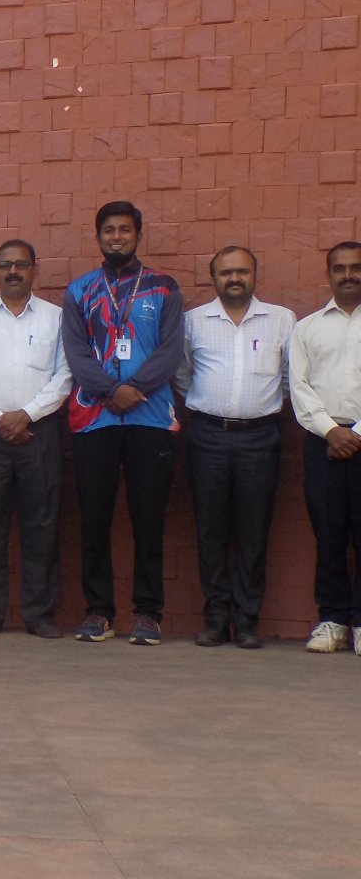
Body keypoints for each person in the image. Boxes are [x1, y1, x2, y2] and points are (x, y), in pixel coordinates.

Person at [62, 200, 184, 645]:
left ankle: (148, 614)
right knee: (94, 519)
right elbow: (76, 353)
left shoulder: (164, 288)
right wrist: (110, 390)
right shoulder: (80, 291)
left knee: (148, 520)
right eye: (109, 230)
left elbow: (171, 351)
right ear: (98, 237)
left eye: (125, 230)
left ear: (138, 235)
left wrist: (134, 389)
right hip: (95, 419)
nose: (117, 237)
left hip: (150, 417)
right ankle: (98, 611)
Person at [0, 240, 72, 638]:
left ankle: (39, 615)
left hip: (40, 432)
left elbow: (65, 375)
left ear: (35, 269)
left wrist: (27, 415)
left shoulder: (56, 319)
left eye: (21, 264)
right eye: (6, 265)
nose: (13, 271)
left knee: (42, 525)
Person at [175, 247, 293, 650]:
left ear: (255, 275)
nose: (235, 278)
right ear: (214, 278)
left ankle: (246, 621)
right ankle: (214, 619)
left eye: (242, 271)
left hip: (261, 438)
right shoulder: (193, 322)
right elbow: (182, 374)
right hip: (207, 435)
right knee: (210, 531)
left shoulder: (281, 320)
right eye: (226, 272)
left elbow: (290, 379)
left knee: (253, 532)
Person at [290, 241, 361, 656]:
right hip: (323, 443)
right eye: (340, 268)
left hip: (357, 436)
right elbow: (299, 386)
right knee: (329, 535)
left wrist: (356, 434)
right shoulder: (307, 328)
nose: (348, 275)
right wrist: (331, 431)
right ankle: (333, 620)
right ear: (328, 274)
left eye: (356, 267)